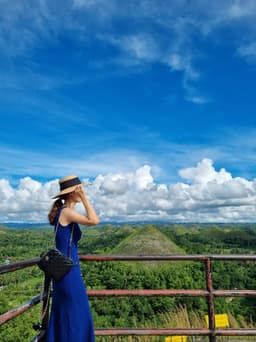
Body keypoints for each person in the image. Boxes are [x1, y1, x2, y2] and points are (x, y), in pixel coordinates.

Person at [46, 175, 99, 342]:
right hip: (69, 273)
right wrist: (84, 198)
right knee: (77, 315)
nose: (82, 191)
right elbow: (94, 220)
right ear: (71, 193)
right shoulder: (67, 212)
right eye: (79, 189)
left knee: (69, 314)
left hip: (64, 273)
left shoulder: (65, 212)